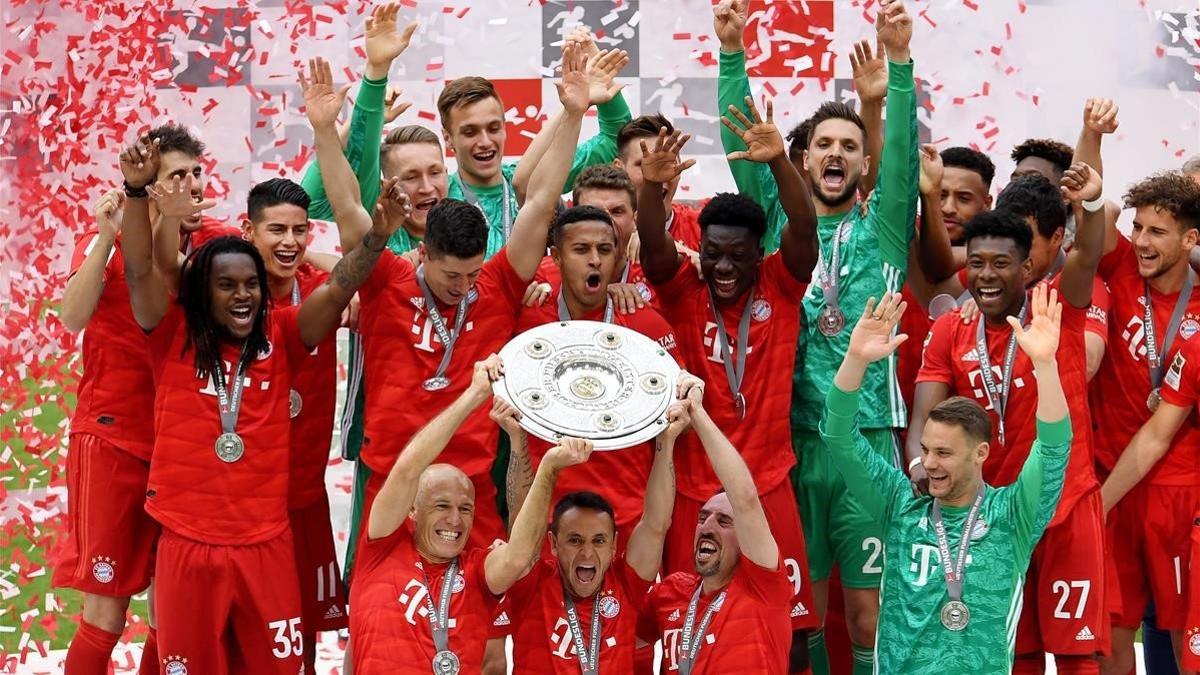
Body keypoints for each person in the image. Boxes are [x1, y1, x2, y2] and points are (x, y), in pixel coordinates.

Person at [117, 123, 398, 671]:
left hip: (267, 546)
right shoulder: (170, 336)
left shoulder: (286, 335)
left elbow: (339, 285)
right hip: (187, 544)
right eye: (227, 285)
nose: (243, 295)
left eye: (250, 285)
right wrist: (136, 195)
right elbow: (139, 268)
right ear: (203, 294)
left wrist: (376, 239)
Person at [307, 41, 590, 551]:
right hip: (392, 478)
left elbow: (542, 199)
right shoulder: (385, 275)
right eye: (451, 278)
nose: (464, 288)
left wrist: (571, 115)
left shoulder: (496, 283)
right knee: (382, 621)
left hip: (472, 480)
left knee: (482, 618)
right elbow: (346, 205)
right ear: (424, 254)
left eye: (471, 275)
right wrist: (326, 131)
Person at [720, 1, 920, 670]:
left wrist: (898, 67)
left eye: (850, 146)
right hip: (791, 445)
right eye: (822, 145)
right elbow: (744, 145)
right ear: (803, 160)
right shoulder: (780, 223)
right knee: (799, 611)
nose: (836, 154)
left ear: (865, 163)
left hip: (865, 442)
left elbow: (900, 157)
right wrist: (731, 52)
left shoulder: (887, 229)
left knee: (869, 613)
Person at [634, 92, 820, 669]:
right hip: (694, 490)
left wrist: (779, 165)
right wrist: (651, 192)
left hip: (766, 487)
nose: (722, 268)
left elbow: (805, 223)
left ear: (758, 253)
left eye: (736, 256)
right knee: (686, 622)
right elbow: (656, 246)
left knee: (789, 629)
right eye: (712, 254)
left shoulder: (780, 284)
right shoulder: (684, 290)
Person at [907, 165, 1110, 673]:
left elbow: (1088, 253)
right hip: (993, 516)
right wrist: (918, 465)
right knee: (1005, 654)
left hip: (1066, 505)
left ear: (1028, 268)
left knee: (1076, 654)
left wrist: (1090, 204)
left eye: (1002, 263)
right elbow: (924, 421)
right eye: (977, 264)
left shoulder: (1059, 305)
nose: (987, 275)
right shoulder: (951, 328)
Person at [53, 120, 238, 675]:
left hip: (184, 450)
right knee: (106, 612)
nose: (193, 185)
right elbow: (71, 317)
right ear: (148, 186)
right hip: (112, 441)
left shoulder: (213, 246)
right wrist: (110, 233)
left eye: (197, 173)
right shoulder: (107, 243)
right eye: (177, 176)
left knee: (172, 612)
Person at [824, 288, 1073, 672]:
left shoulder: (1012, 516)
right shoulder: (900, 504)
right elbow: (840, 438)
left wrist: (1045, 365)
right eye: (926, 450)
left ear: (981, 454)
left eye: (943, 454)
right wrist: (855, 360)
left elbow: (1054, 450)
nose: (929, 463)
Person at [350, 354, 595, 673]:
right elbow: (408, 470)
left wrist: (548, 467)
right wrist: (474, 395)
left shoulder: (478, 572)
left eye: (465, 509)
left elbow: (519, 556)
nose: (455, 519)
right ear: (412, 509)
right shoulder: (380, 548)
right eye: (442, 505)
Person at [504, 374, 699, 673]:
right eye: (574, 540)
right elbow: (520, 513)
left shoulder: (625, 585)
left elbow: (656, 524)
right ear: (553, 544)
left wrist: (665, 441)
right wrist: (520, 441)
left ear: (614, 546)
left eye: (598, 540)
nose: (586, 553)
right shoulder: (532, 583)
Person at [236, 178, 349, 669]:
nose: (289, 241)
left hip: (303, 498)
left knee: (298, 637)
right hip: (244, 504)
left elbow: (359, 276)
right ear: (249, 231)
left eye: (300, 231)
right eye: (276, 230)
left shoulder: (323, 291)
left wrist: (312, 259)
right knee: (238, 632)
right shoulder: (228, 300)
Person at [516, 204, 678, 535]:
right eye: (581, 249)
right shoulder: (527, 322)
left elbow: (679, 416)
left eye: (605, 250)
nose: (595, 260)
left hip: (628, 516)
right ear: (556, 258)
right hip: (546, 517)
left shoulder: (643, 325)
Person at [1094, 171, 1200, 674]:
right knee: (1111, 631)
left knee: (1184, 632)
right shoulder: (1119, 270)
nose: (1141, 241)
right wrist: (1092, 138)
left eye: (1157, 231)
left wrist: (1098, 503)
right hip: (1112, 476)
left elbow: (1161, 435)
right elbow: (1097, 211)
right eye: (1139, 228)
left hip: (1176, 491)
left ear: (1190, 239)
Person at [640, 373, 794, 674]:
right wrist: (665, 440)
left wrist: (697, 412)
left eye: (724, 520)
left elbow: (745, 499)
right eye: (703, 517)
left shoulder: (764, 587)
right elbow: (618, 639)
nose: (707, 526)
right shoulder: (670, 593)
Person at [441, 27, 632, 259]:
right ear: (448, 137)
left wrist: (594, 89)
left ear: (504, 127)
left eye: (493, 128)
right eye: (470, 132)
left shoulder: (536, 178)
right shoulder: (437, 194)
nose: (485, 141)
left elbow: (617, 140)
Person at [613, 114, 702, 252]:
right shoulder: (596, 227)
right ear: (619, 169)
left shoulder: (703, 226)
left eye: (668, 163)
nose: (657, 175)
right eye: (644, 164)